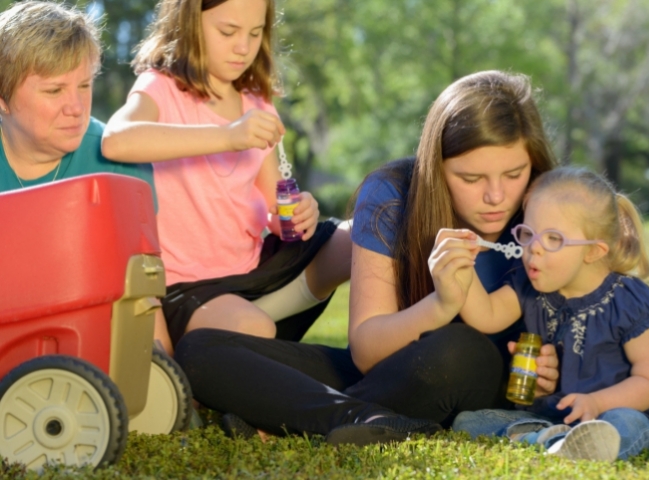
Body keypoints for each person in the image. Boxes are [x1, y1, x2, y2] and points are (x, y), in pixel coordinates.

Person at [173, 70, 561, 445]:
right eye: (471, 179)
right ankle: (364, 421)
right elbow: (366, 351)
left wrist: (552, 371)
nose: (495, 197)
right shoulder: (393, 196)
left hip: (466, 373)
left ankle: (291, 415)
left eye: (514, 174)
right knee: (201, 349)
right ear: (435, 171)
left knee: (458, 349)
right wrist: (441, 305)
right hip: (384, 372)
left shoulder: (551, 217)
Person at [101, 0, 351, 354]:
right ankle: (232, 342)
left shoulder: (257, 102)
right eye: (228, 31)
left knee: (360, 240)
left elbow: (274, 208)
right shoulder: (161, 87)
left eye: (255, 32)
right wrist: (228, 135)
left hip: (253, 271)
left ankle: (246, 338)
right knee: (253, 328)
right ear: (188, 23)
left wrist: (297, 213)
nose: (243, 47)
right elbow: (116, 140)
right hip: (188, 287)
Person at [445, 167, 649, 461]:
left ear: (593, 251)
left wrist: (596, 403)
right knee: (469, 421)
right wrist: (461, 268)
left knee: (625, 423)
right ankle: (555, 441)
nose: (534, 250)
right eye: (528, 234)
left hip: (621, 411)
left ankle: (562, 442)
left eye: (553, 239)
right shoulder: (530, 285)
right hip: (556, 416)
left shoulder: (626, 299)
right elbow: (487, 315)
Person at [0, 1, 153, 196]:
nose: (77, 108)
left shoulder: (122, 164)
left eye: (84, 85)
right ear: (2, 99)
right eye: (54, 90)